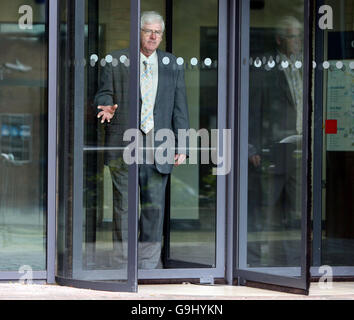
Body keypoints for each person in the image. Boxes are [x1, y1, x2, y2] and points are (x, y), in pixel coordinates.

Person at [94, 11, 189, 269]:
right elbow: (103, 94)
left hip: (159, 146)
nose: (153, 36)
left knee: (153, 210)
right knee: (123, 209)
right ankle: (123, 265)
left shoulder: (172, 64)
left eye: (158, 31)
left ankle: (147, 267)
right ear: (138, 32)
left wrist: (182, 146)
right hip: (125, 145)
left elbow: (180, 108)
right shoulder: (116, 61)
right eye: (148, 30)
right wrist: (105, 106)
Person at [248, 15, 303, 236]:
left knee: (296, 208)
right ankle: (259, 261)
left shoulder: (305, 66)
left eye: (299, 37)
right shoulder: (266, 68)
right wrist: (252, 146)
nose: (297, 42)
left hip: (301, 145)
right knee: (268, 205)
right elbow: (254, 110)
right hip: (274, 146)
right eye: (292, 37)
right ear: (280, 39)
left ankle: (292, 262)